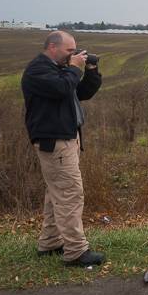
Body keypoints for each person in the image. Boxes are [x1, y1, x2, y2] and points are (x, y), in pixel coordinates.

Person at [21, 31, 104, 267]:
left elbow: (81, 93)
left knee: (55, 194)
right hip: (54, 141)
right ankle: (76, 252)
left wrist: (90, 71)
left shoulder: (59, 70)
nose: (73, 55)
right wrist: (74, 68)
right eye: (70, 51)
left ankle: (50, 242)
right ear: (52, 48)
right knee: (70, 194)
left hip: (66, 139)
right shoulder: (37, 70)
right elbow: (61, 89)